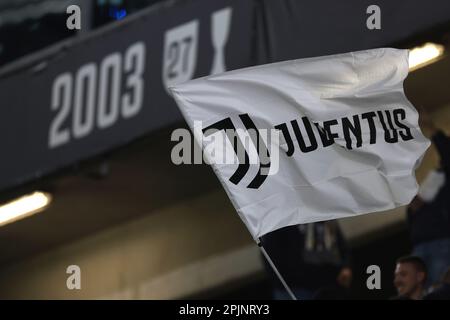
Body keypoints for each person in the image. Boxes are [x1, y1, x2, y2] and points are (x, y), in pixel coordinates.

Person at [407, 110, 450, 287]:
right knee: (420, 291)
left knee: (440, 288)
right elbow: (417, 206)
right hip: (420, 241)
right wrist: (412, 210)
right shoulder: (437, 176)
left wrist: (432, 128)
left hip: (440, 239)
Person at [261, 221, 352, 300]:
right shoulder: (279, 222)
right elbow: (271, 253)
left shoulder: (321, 210)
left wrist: (345, 265)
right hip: (295, 288)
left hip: (328, 283)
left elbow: (336, 238)